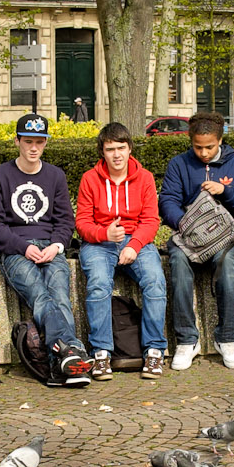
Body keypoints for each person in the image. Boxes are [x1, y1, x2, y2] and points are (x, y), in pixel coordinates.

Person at [0, 113, 93, 386]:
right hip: (16, 250)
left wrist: (57, 245)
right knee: (39, 294)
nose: (34, 148)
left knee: (60, 294)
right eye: (28, 142)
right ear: (17, 142)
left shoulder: (55, 175)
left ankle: (62, 366)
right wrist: (23, 247)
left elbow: (65, 220)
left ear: (45, 144)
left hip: (50, 248)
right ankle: (70, 352)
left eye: (40, 142)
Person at [160, 111, 234, 370]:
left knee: (227, 269)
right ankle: (187, 340)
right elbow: (167, 200)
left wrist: (226, 190)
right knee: (178, 265)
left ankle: (226, 339)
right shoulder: (179, 164)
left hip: (225, 236)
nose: (203, 153)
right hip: (187, 236)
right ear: (190, 141)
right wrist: (184, 224)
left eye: (209, 147)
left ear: (220, 140)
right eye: (197, 147)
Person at [76, 122, 168, 379]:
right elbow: (82, 223)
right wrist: (104, 234)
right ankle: (101, 353)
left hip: (135, 240)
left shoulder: (145, 177)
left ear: (130, 149)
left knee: (155, 281)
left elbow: (151, 220)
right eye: (110, 149)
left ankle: (154, 351)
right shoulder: (90, 179)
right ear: (102, 152)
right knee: (98, 284)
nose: (116, 154)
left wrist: (134, 245)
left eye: (121, 148)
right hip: (99, 243)